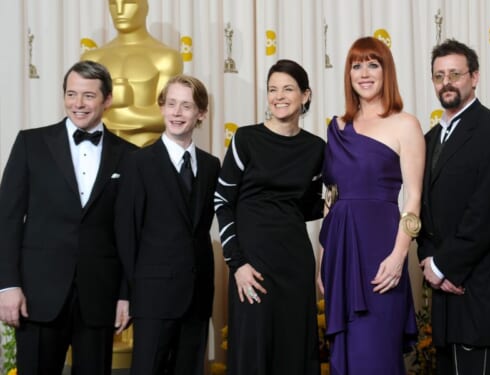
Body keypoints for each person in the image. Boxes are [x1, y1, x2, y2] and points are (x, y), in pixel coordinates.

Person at [0, 60, 136, 374]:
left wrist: (126, 295)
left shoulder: (130, 156)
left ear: (108, 100)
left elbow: (129, 232)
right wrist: (8, 285)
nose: (78, 104)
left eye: (88, 96)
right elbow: (7, 220)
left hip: (99, 297)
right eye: (71, 94)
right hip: (37, 296)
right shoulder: (30, 144)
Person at [318, 36, 424, 375]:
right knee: (343, 353)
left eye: (372, 64)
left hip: (381, 253)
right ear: (348, 74)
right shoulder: (336, 128)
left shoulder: (405, 124)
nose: (364, 73)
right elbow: (329, 198)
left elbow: (414, 197)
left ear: (386, 71)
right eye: (356, 65)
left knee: (375, 353)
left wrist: (398, 257)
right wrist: (323, 257)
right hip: (339, 252)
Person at [215, 59, 325, 375]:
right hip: (252, 267)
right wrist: (237, 265)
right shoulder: (246, 139)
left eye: (288, 88)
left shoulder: (317, 148)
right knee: (253, 354)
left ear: (305, 95)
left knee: (294, 354)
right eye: (272, 89)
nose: (278, 96)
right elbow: (223, 201)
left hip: (295, 267)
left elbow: (311, 208)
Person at [418, 39, 490, 374]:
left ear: (474, 77)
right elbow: (423, 211)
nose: (446, 82)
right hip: (445, 295)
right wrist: (429, 263)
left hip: (480, 288)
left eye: (455, 74)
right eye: (439, 75)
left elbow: (488, 211)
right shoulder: (429, 139)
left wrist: (444, 265)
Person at [115, 74, 219, 374]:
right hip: (152, 297)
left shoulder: (212, 166)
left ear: (201, 113)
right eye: (171, 104)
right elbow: (126, 233)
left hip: (198, 298)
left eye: (186, 106)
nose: (176, 112)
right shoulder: (138, 163)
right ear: (161, 108)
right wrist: (125, 294)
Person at [82, 0, 183, 147]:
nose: (119, 10)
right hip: (98, 153)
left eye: (128, 3)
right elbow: (81, 111)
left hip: (146, 151)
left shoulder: (166, 58)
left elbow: (170, 115)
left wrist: (120, 113)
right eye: (113, 4)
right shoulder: (92, 58)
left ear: (145, 6)